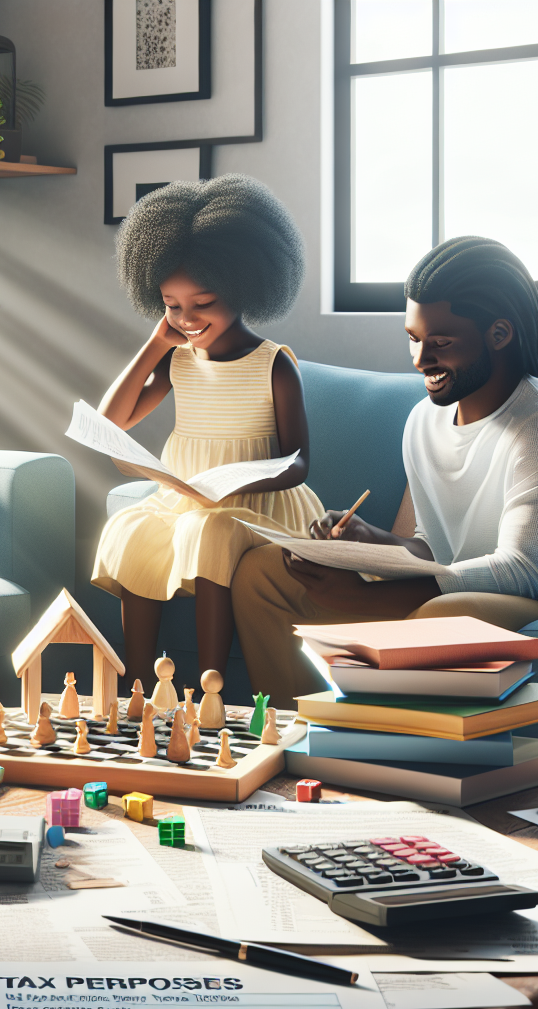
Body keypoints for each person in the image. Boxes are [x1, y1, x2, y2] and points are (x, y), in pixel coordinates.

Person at [232, 236, 538, 706]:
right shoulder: (423, 420)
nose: (420, 360)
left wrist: (362, 599)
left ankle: (378, 745)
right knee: (261, 572)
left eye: (441, 343)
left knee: (447, 612)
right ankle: (297, 732)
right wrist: (369, 542)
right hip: (455, 583)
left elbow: (525, 573)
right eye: (414, 339)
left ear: (499, 334)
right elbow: (435, 547)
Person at [91, 174, 325, 690]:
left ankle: (208, 687)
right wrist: (155, 344)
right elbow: (111, 424)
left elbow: (298, 462)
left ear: (243, 288)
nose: (186, 318)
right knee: (131, 530)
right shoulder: (177, 359)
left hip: (258, 508)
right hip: (187, 500)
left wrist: (233, 482)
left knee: (209, 530)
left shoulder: (274, 364)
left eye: (202, 302)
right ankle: (138, 686)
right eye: (172, 305)